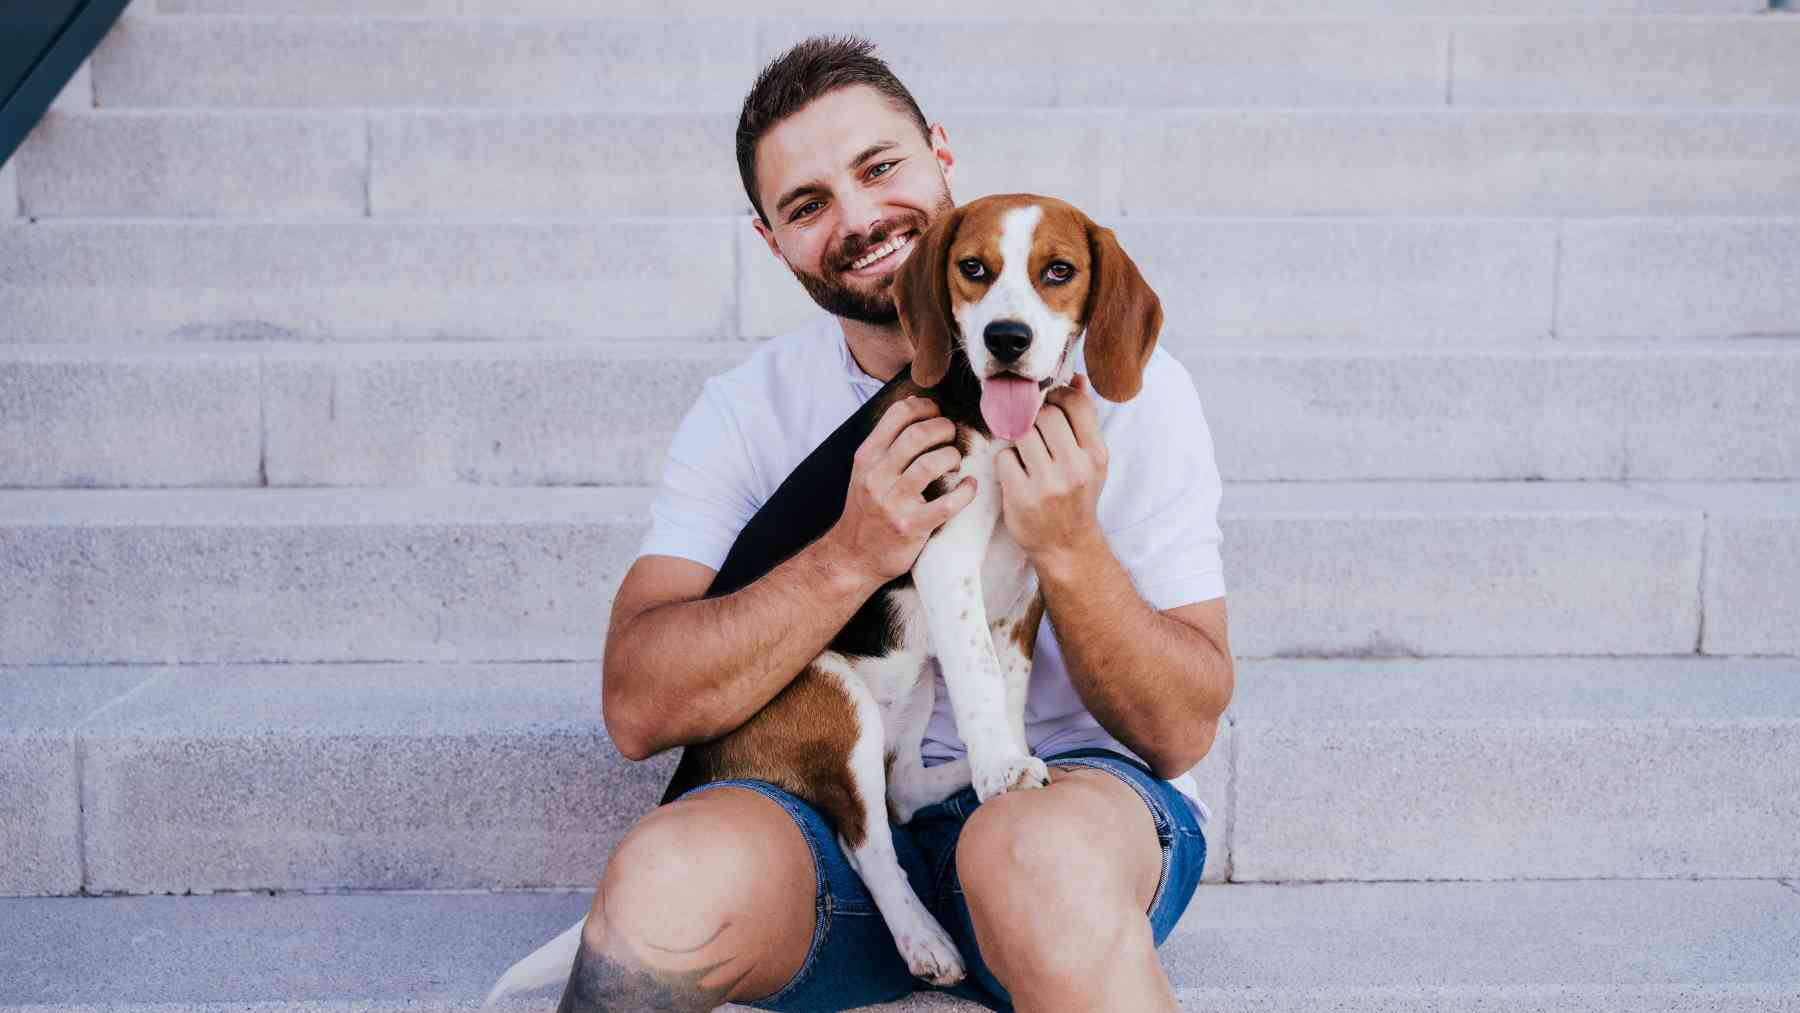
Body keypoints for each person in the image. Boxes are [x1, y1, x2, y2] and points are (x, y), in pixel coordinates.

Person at [557, 34, 1234, 1013]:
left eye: (880, 168)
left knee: (1030, 855)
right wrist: (850, 554)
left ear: (939, 153)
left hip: (1073, 808)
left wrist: (1070, 544)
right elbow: (638, 705)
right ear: (772, 242)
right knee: (662, 879)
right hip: (830, 831)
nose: (863, 217)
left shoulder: (1136, 395)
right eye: (808, 203)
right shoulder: (748, 410)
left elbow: (1180, 728)